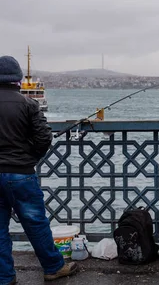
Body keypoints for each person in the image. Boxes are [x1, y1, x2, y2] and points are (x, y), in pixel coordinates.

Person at [0, 56, 78, 283]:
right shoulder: (28, 104)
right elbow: (44, 137)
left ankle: (4, 276)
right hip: (21, 174)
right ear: (17, 79)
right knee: (35, 222)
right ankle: (53, 267)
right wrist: (30, 158)